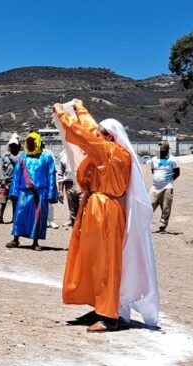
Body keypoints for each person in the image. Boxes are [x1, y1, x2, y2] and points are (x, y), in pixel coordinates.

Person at [55, 100, 160, 332]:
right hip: (98, 208)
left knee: (104, 263)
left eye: (101, 134)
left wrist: (62, 115)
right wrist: (80, 109)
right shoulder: (113, 150)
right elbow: (91, 129)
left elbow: (82, 135)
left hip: (102, 210)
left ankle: (107, 315)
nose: (97, 135)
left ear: (111, 136)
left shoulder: (108, 151)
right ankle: (101, 306)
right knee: (95, 260)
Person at [6, 132, 58, 251]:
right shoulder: (22, 158)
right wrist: (14, 192)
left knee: (38, 218)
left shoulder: (47, 158)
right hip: (24, 192)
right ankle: (15, 239)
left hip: (40, 193)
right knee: (19, 216)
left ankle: (35, 241)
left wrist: (51, 194)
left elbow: (51, 175)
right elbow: (16, 176)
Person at [148, 141, 180, 233]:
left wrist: (168, 180)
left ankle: (163, 225)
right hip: (155, 187)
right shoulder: (154, 159)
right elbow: (153, 171)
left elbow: (177, 173)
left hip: (167, 187)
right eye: (159, 150)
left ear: (167, 150)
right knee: (149, 205)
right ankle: (145, 224)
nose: (160, 152)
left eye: (162, 151)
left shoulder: (173, 159)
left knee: (166, 207)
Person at [0, 135, 20, 224]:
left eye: (15, 145)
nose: (13, 146)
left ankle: (14, 218)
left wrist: (10, 156)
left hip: (15, 182)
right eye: (12, 145)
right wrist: (2, 180)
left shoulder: (19, 155)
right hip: (5, 181)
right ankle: (0, 217)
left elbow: (18, 163)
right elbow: (1, 168)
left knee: (15, 201)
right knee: (2, 200)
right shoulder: (4, 156)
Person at [57, 146, 81, 228]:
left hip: (82, 187)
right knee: (73, 214)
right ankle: (75, 236)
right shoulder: (64, 154)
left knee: (83, 213)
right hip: (69, 186)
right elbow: (61, 174)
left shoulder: (84, 152)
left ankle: (83, 237)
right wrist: (60, 191)